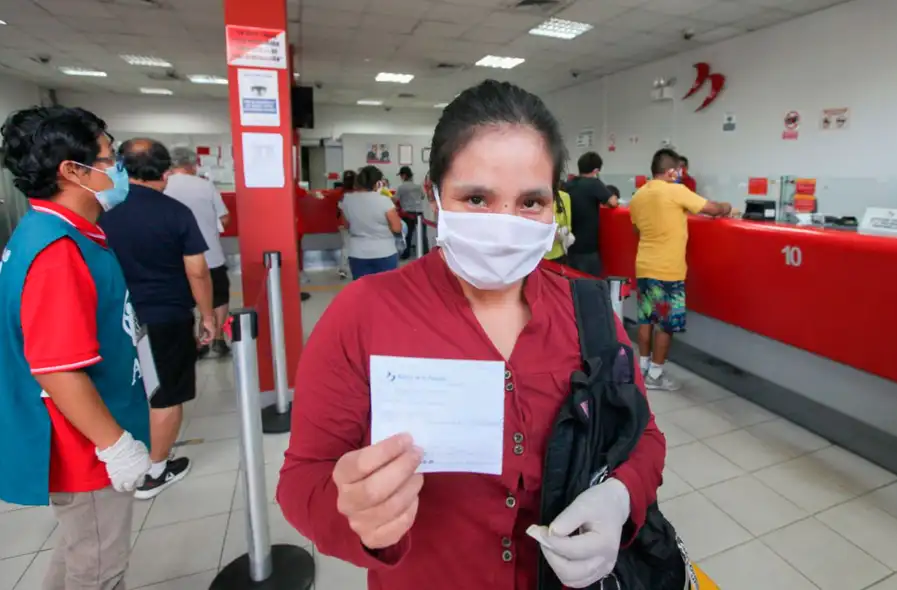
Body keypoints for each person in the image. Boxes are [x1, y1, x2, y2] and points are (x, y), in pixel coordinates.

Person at [277, 80, 665, 589]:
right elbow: (303, 478)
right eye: (477, 197)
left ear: (554, 206)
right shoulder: (364, 314)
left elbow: (644, 437)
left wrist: (619, 498)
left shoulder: (589, 309)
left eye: (531, 202)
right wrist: (355, 513)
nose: (505, 224)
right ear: (437, 198)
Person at [0, 106, 152, 589]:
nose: (118, 170)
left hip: (90, 432)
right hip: (84, 447)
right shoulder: (56, 251)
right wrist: (116, 446)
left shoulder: (61, 232)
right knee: (99, 570)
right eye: (109, 159)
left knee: (76, 555)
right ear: (72, 170)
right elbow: (56, 368)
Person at [100, 138, 216, 499]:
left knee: (129, 389)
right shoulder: (175, 212)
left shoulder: (100, 211)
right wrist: (208, 316)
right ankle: (154, 471)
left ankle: (119, 455)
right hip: (165, 316)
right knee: (165, 395)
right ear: (165, 173)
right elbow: (197, 271)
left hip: (113, 317)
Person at [629, 148, 731, 391]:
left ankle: (642, 369)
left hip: (644, 266)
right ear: (672, 171)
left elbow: (636, 230)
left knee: (646, 320)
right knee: (666, 325)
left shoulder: (639, 195)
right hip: (668, 270)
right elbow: (713, 210)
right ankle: (655, 375)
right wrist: (726, 207)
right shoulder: (676, 190)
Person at [164, 146, 232, 358]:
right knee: (218, 296)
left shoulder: (162, 186)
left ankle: (195, 342)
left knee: (185, 300)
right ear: (193, 165)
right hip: (209, 254)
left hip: (174, 258)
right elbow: (224, 218)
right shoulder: (205, 185)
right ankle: (218, 338)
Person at [339, 165, 403, 279]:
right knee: (386, 291)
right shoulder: (384, 200)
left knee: (363, 292)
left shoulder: (347, 199)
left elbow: (346, 225)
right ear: (378, 182)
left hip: (357, 252)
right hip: (384, 252)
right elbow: (397, 228)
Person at [564, 151, 618, 277]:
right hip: (587, 248)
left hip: (569, 245)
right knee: (591, 282)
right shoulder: (594, 184)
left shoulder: (568, 184)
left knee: (572, 281)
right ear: (596, 170)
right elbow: (613, 202)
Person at [396, 165, 429, 259]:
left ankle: (406, 254)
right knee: (422, 235)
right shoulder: (418, 187)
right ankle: (425, 253)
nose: (400, 178)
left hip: (407, 213)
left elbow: (395, 200)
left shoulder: (401, 187)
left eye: (401, 175)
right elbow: (422, 196)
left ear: (404, 176)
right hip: (419, 213)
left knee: (407, 235)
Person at [543, 185, 572, 264]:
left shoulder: (564, 197)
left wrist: (559, 233)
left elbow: (568, 226)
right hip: (536, 255)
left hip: (558, 254)